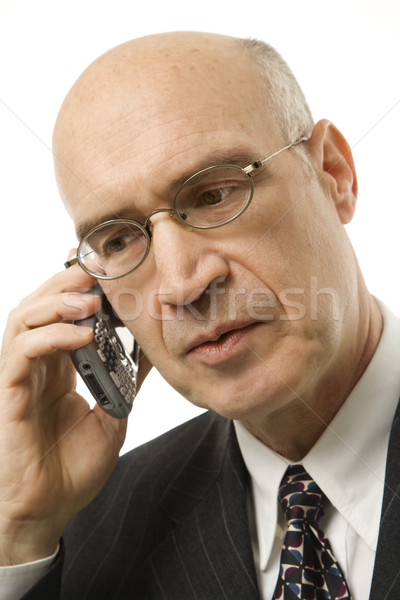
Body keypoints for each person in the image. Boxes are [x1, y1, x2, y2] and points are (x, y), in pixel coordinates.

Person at [0, 30, 399, 600]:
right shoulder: (82, 540)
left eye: (214, 194)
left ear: (333, 173)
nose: (182, 284)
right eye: (118, 240)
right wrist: (20, 538)